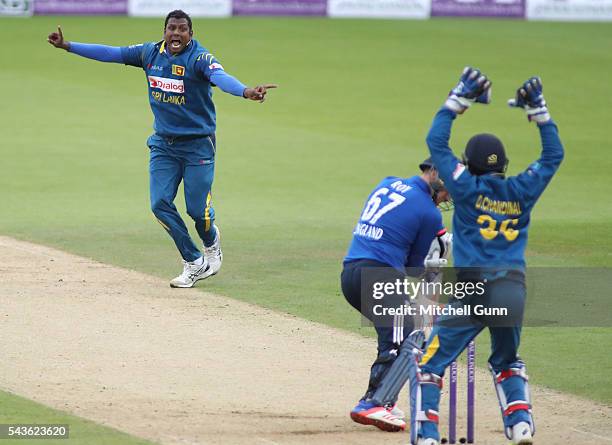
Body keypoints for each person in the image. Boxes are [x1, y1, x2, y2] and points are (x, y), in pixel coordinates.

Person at [47, 10, 277, 288]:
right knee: (159, 204)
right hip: (163, 146)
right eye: (171, 28)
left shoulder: (200, 59)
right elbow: (110, 53)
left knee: (198, 213)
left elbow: (221, 77)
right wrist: (68, 46)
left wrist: (246, 91)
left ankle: (211, 241)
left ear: (191, 34)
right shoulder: (149, 54)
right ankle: (193, 262)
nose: (176, 34)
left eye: (182, 29)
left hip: (198, 146)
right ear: (164, 32)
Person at [408, 68, 564, 445]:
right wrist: (539, 112)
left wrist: (458, 99)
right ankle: (521, 425)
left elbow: (435, 141)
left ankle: (428, 436)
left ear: (470, 164)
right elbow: (553, 154)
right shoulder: (522, 189)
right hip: (513, 290)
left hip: (473, 291)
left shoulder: (463, 187)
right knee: (507, 361)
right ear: (503, 165)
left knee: (431, 364)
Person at [341, 160, 453, 432]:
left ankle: (380, 401)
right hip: (380, 276)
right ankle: (374, 403)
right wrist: (437, 256)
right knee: (409, 339)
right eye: (450, 189)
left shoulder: (388, 182)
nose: (449, 196)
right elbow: (415, 267)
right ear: (436, 176)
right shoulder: (429, 212)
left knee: (398, 335)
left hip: (351, 273)